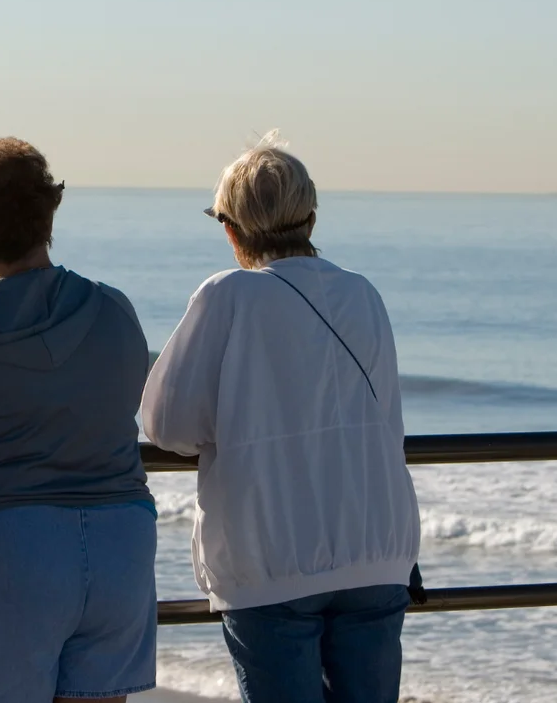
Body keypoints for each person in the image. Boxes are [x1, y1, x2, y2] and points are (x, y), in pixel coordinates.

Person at [141, 138, 421, 703]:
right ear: (311, 216)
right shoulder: (360, 292)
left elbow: (166, 426)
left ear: (232, 228)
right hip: (376, 546)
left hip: (272, 555)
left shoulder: (228, 295)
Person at [0, 138, 158, 703]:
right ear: (48, 216)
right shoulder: (113, 307)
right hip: (122, 536)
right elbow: (128, 395)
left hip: (16, 545)